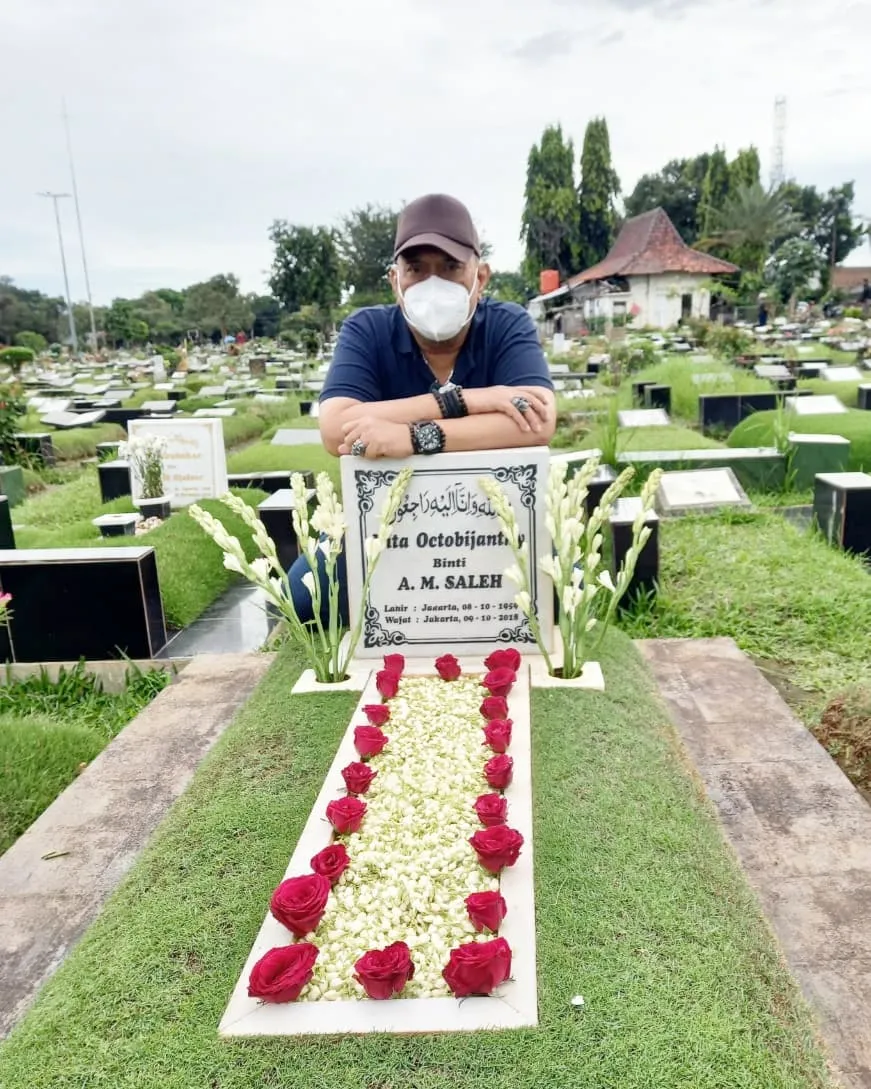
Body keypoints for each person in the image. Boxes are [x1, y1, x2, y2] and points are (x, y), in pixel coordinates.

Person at [289, 192, 557, 624]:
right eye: (416, 269)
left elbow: (538, 420)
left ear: (481, 276)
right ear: (395, 279)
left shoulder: (507, 324)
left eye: (450, 267)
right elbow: (336, 431)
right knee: (308, 596)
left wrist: (412, 436)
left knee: (569, 589)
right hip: (385, 522)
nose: (434, 284)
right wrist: (468, 400)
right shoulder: (368, 330)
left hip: (494, 519)